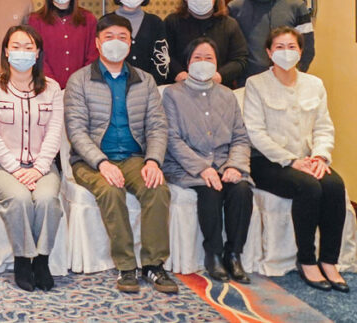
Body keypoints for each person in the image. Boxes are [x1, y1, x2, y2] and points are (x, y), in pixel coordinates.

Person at [64, 15, 177, 294]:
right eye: (109, 37)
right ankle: (126, 266)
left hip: (134, 158)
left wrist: (153, 161)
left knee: (157, 189)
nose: (116, 43)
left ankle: (153, 264)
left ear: (130, 43)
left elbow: (157, 126)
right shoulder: (79, 80)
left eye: (122, 38)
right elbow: (76, 131)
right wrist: (101, 163)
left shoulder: (145, 80)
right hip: (91, 161)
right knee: (111, 191)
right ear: (97, 43)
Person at [244, 26, 348, 292]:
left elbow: (323, 127)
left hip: (308, 159)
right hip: (267, 163)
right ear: (269, 52)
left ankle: (329, 261)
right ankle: (307, 260)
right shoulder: (256, 84)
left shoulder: (314, 84)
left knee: (335, 185)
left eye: (292, 47)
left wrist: (320, 156)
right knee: (308, 187)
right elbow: (256, 133)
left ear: (301, 52)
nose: (286, 52)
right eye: (279, 47)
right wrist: (291, 161)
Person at [0, 25, 63, 292]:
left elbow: (54, 133)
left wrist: (38, 169)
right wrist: (16, 169)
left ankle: (42, 260)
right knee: (20, 198)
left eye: (28, 47)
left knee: (47, 200)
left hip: (42, 166)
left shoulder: (52, 88)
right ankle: (23, 260)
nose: (22, 52)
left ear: (37, 53)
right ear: (6, 51)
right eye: (15, 46)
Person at [162, 38, 252, 283]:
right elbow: (171, 139)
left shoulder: (227, 95)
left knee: (242, 190)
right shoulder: (172, 94)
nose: (203, 63)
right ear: (188, 62)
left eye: (209, 58)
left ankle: (234, 254)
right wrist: (202, 168)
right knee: (209, 190)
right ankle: (213, 253)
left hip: (224, 163)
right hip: (186, 166)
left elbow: (240, 137)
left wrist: (235, 166)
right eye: (197, 58)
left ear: (217, 63)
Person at [229, 0, 315, 79]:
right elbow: (230, 50)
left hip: (285, 80)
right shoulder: (234, 8)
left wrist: (293, 76)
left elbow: (307, 49)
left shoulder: (297, 7)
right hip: (246, 81)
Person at [164, 0, 248, 88]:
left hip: (219, 89)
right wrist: (179, 73)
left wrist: (220, 75)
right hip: (180, 88)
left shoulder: (229, 24)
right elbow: (164, 54)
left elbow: (240, 59)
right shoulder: (172, 22)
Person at [28, 0, 98, 89]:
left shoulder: (88, 19)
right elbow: (36, 56)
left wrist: (79, 83)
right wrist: (52, 85)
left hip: (82, 88)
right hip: (46, 88)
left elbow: (93, 56)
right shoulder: (35, 20)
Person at [101, 0, 170, 84]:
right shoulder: (106, 22)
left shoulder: (155, 22)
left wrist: (149, 85)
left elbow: (162, 61)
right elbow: (101, 59)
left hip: (149, 87)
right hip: (113, 86)